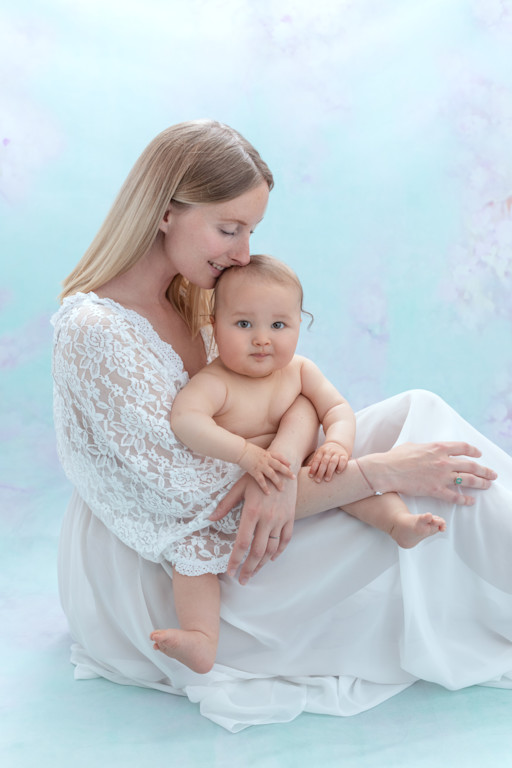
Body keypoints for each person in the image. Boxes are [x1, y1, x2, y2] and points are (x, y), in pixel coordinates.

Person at [52, 119, 512, 732]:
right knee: (419, 473)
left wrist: (298, 455)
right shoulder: (96, 331)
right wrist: (377, 474)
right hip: (168, 568)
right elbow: (203, 505)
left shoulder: (191, 299)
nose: (243, 254)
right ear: (165, 211)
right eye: (228, 228)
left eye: (250, 232)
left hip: (240, 496)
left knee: (416, 416)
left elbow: (282, 391)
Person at [150, 254, 446, 672]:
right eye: (243, 324)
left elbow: (337, 409)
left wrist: (338, 445)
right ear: (213, 326)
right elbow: (186, 422)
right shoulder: (215, 383)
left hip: (303, 473)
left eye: (278, 325)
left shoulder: (299, 370)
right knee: (191, 555)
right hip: (239, 492)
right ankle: (201, 637)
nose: (262, 339)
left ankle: (399, 523)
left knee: (349, 478)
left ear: (298, 324)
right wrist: (246, 453)